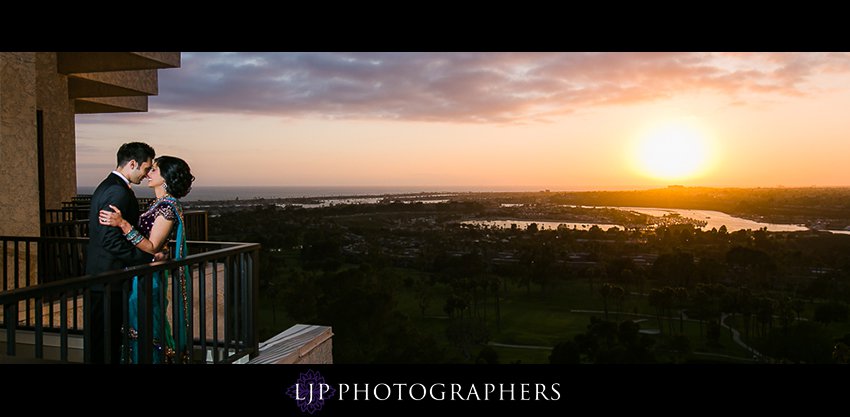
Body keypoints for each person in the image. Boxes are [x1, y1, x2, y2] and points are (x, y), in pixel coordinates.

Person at [99, 155, 195, 364]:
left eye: (154, 170)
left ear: (166, 177)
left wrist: (123, 224)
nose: (147, 174)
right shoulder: (159, 204)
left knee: (147, 325)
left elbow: (151, 246)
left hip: (149, 278)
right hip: (142, 273)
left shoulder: (168, 208)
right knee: (136, 324)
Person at [86, 142, 157, 364]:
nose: (146, 175)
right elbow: (109, 239)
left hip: (103, 275)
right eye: (146, 169)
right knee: (105, 342)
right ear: (133, 163)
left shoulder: (108, 185)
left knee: (104, 339)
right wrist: (145, 257)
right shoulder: (117, 191)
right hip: (108, 276)